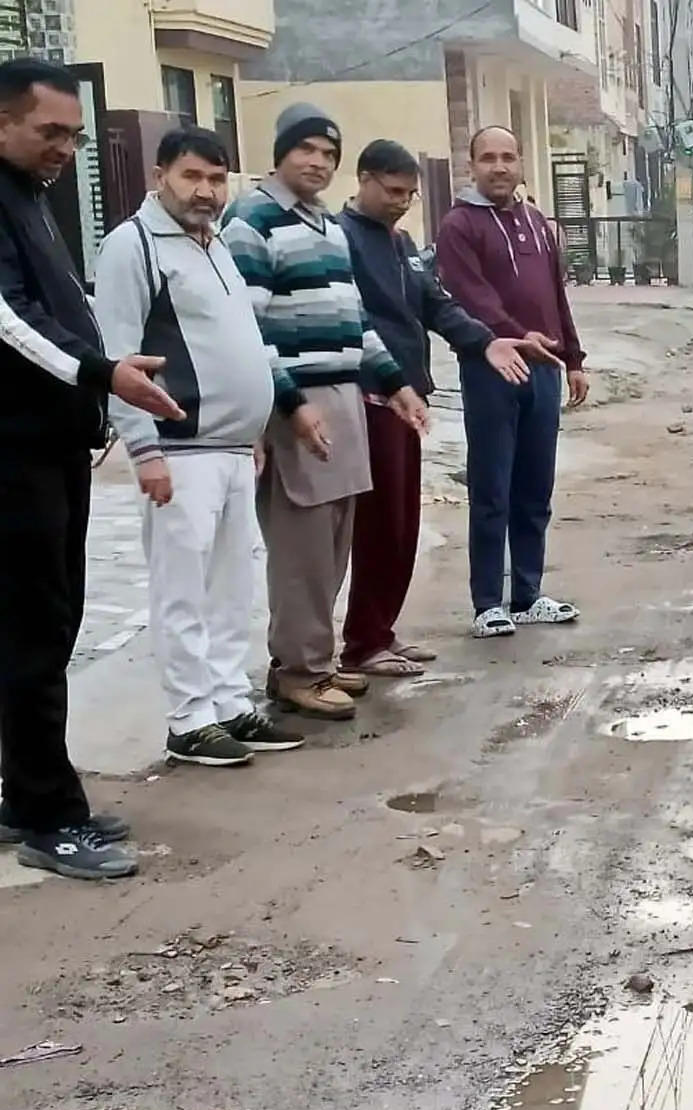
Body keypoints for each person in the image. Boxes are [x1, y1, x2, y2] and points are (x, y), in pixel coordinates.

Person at [0, 58, 185, 880]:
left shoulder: (29, 199)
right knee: (35, 629)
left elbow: (54, 304)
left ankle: (25, 790)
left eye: (74, 134)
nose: (66, 148)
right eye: (51, 132)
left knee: (47, 623)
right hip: (14, 454)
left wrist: (97, 379)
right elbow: (7, 319)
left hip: (51, 447)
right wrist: (98, 373)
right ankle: (50, 816)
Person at [93, 126, 307, 769]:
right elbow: (118, 355)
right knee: (183, 589)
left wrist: (255, 428)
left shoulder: (213, 246)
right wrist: (144, 449)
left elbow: (241, 342)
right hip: (179, 450)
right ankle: (189, 719)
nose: (207, 192)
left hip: (233, 449)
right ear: (160, 175)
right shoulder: (133, 246)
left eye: (217, 180)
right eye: (192, 177)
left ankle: (227, 701)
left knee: (231, 586)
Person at [222, 102, 429, 720]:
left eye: (327, 154)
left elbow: (355, 320)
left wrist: (396, 384)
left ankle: (317, 657)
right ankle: (297, 670)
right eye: (306, 149)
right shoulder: (252, 221)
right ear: (280, 152)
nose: (317, 162)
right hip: (298, 400)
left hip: (346, 395)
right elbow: (248, 328)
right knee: (302, 545)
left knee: (337, 540)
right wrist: (289, 405)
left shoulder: (324, 226)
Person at [338, 138, 557, 678]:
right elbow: (358, 320)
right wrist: (396, 378)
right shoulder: (340, 241)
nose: (401, 202)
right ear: (363, 179)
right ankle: (360, 642)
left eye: (409, 195)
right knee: (376, 526)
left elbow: (437, 304)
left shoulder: (400, 241)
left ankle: (378, 634)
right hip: (369, 395)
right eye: (392, 192)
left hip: (408, 397)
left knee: (401, 525)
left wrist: (486, 340)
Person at [435, 125, 589, 639]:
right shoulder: (459, 226)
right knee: (492, 487)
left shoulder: (539, 225)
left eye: (508, 157)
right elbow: (470, 296)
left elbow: (554, 296)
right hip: (492, 369)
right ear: (472, 165)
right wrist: (513, 335)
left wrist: (573, 358)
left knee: (534, 487)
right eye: (488, 158)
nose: (499, 167)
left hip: (543, 370)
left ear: (521, 162)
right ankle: (487, 603)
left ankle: (527, 594)